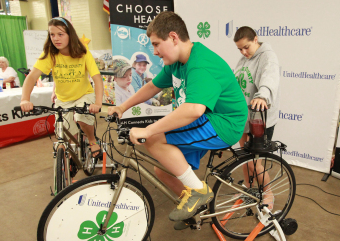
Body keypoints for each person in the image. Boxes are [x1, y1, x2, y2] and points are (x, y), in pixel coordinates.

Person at [108, 11, 247, 224]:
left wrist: (149, 130)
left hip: (224, 123)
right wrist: (123, 106)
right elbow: (153, 86)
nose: (154, 52)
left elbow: (193, 110)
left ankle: (199, 191)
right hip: (206, 119)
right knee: (162, 170)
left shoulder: (200, 64)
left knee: (153, 139)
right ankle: (196, 209)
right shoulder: (176, 62)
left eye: (156, 44)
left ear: (173, 37)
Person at [19, 17, 103, 158]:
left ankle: (92, 140)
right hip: (63, 99)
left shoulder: (82, 53)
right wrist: (24, 99)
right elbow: (32, 77)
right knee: (64, 133)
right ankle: (70, 158)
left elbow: (97, 78)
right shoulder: (50, 55)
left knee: (82, 117)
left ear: (70, 35)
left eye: (60, 34)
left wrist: (98, 103)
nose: (56, 38)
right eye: (52, 34)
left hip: (84, 94)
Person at [233, 26, 280, 208]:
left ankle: (268, 195)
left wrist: (262, 95)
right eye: (239, 49)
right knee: (245, 157)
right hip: (243, 116)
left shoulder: (268, 57)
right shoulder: (244, 59)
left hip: (259, 118)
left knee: (255, 162)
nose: (243, 52)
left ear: (255, 39)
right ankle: (248, 188)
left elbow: (270, 78)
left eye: (246, 47)